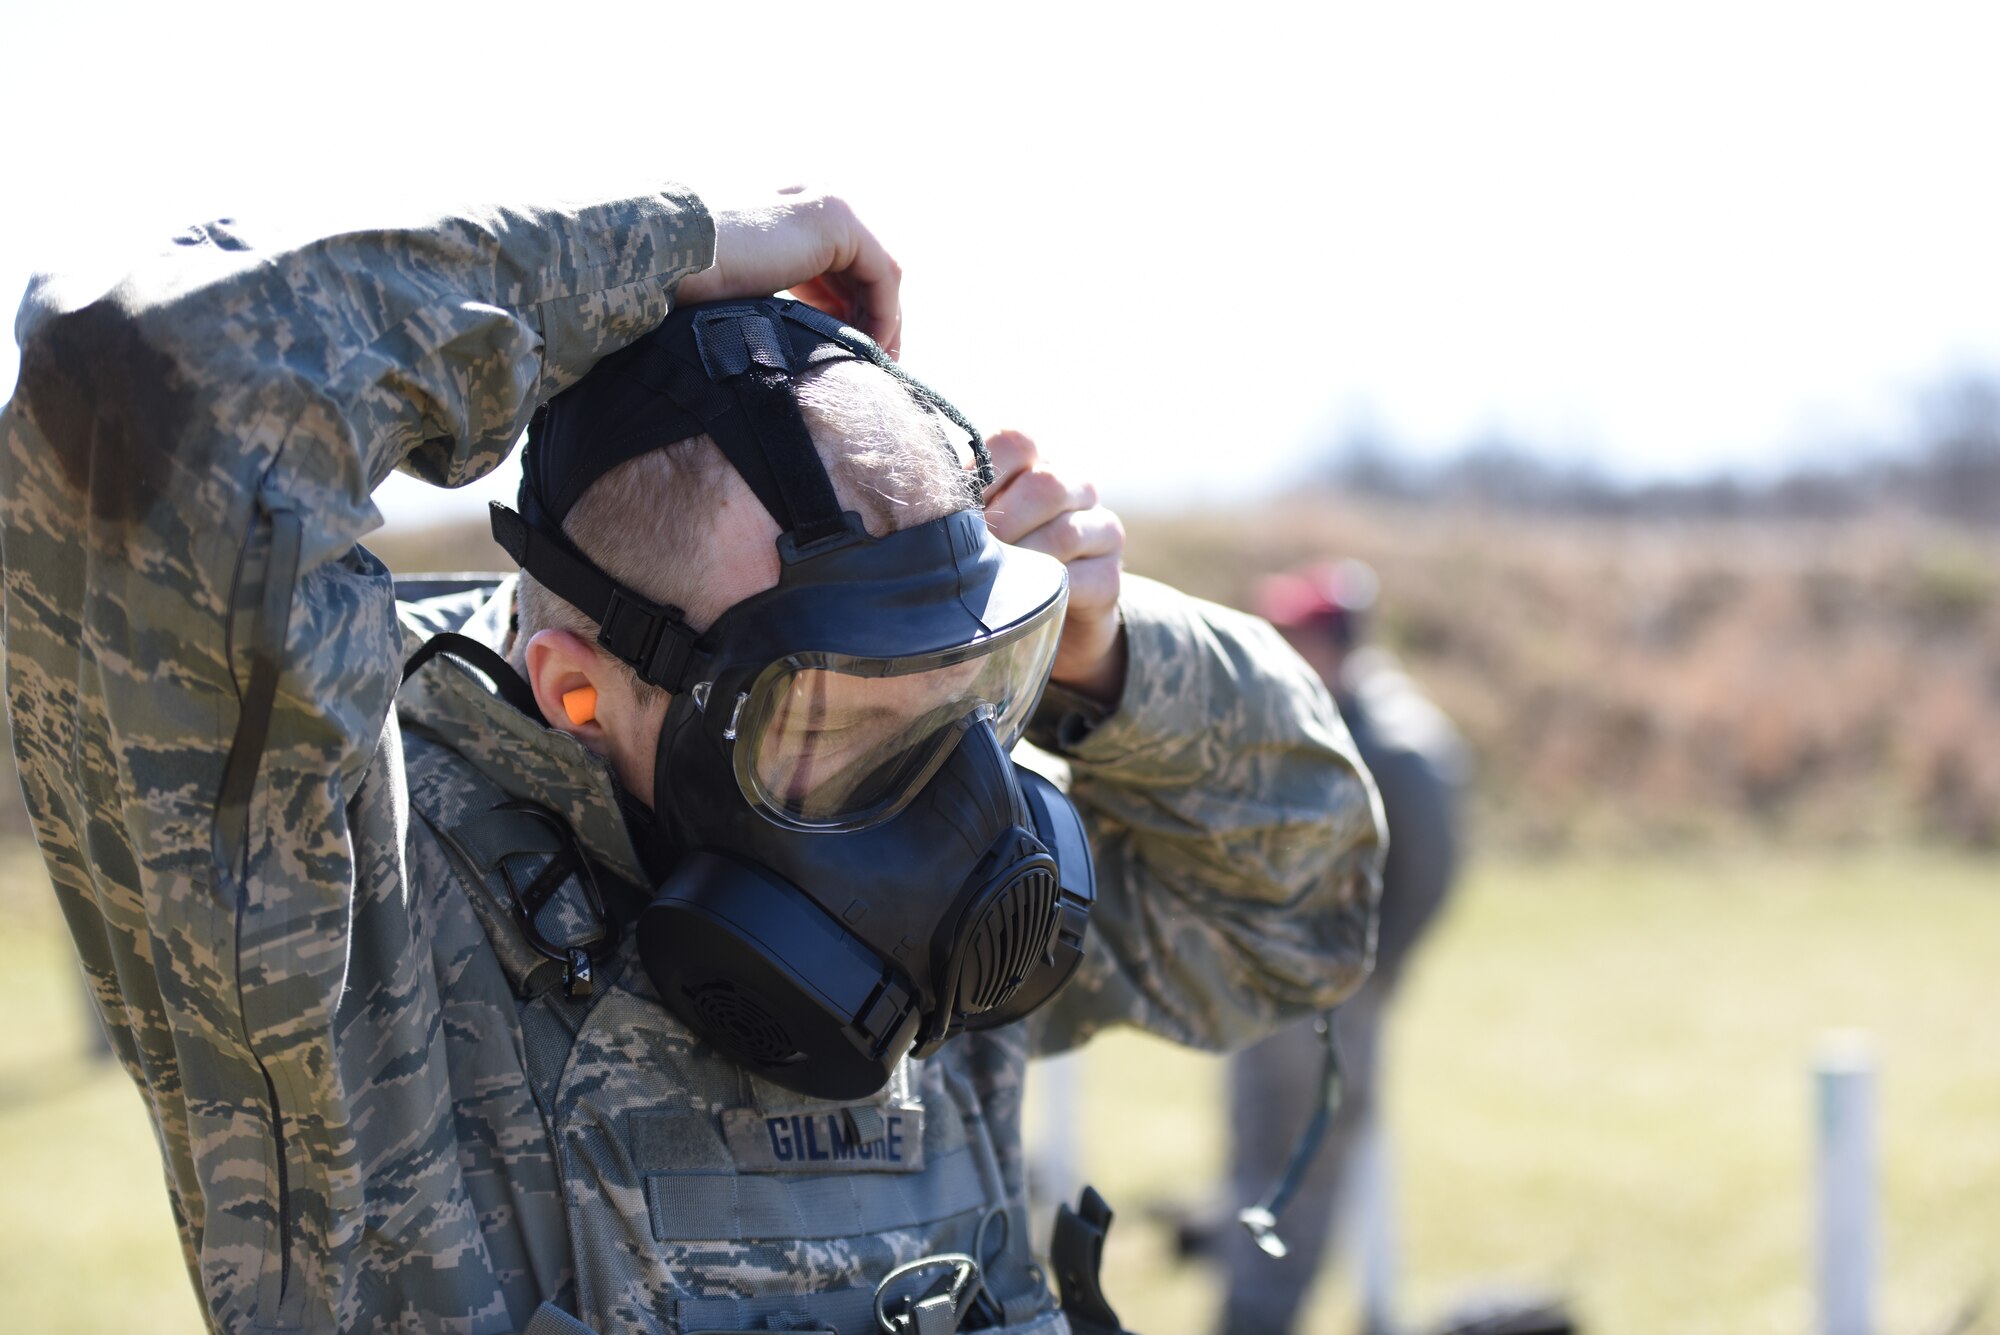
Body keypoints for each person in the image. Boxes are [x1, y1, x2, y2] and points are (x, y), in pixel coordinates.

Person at [0, 182, 1382, 1335]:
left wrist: (1113, 660)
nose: (955, 805)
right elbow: (131, 378)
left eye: (974, 684)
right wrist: (665, 246)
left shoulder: (949, 886)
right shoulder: (344, 905)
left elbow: (1297, 911)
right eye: (838, 715)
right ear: (579, 690)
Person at [1215, 560, 1469, 1335]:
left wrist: (1360, 973)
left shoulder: (1398, 743)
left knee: (1296, 1177)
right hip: (1278, 992)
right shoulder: (1332, 719)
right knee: (1262, 1165)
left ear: (1330, 641)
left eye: (1294, 637)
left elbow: (1428, 874)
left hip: (1326, 1002)